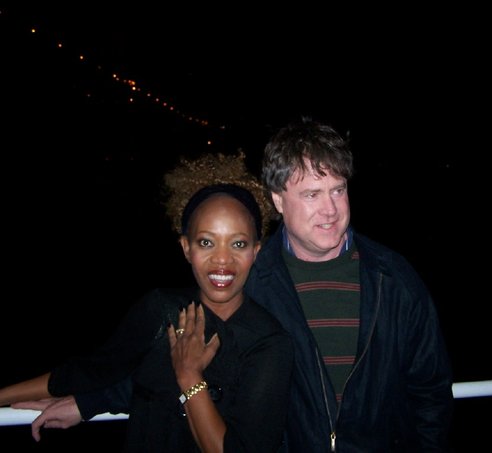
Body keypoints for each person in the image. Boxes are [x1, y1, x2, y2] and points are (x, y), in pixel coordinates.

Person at [12, 118, 453, 451]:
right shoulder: (249, 277)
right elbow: (188, 357)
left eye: (338, 190)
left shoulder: (393, 279)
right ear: (278, 200)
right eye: (312, 194)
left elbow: (430, 392)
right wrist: (89, 403)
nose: (331, 209)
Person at [0, 180, 294, 453]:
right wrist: (82, 402)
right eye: (206, 242)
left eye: (238, 243)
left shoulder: (270, 343)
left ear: (256, 251)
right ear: (186, 248)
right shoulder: (162, 311)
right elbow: (91, 371)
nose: (222, 259)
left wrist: (189, 375)